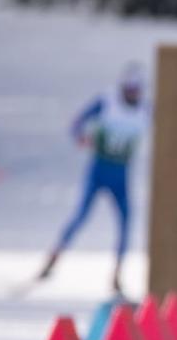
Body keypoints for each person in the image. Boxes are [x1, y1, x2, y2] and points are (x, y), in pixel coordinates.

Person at [37, 63, 149, 295]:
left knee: (126, 222)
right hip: (98, 171)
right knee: (80, 217)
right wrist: (81, 138)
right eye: (128, 89)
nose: (131, 94)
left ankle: (117, 274)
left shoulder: (145, 110)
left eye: (135, 90)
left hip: (121, 175)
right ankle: (53, 259)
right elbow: (77, 123)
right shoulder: (108, 101)